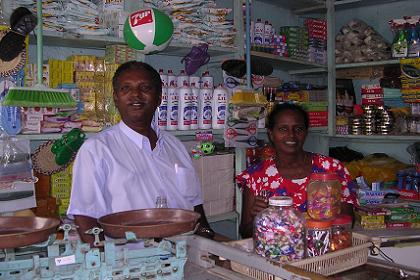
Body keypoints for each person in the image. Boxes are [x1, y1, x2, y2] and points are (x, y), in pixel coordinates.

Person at [67, 61, 214, 244]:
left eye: (145, 88)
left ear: (159, 98)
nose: (135, 95)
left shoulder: (175, 146)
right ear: (115, 98)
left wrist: (209, 243)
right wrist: (106, 263)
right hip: (130, 261)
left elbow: (195, 205)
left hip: (185, 253)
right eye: (126, 88)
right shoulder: (97, 150)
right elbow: (85, 217)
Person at [237, 103, 356, 238]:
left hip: (323, 253)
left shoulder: (332, 169)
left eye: (298, 129)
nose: (291, 136)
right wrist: (257, 217)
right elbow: (245, 232)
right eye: (283, 129)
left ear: (306, 132)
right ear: (271, 134)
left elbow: (347, 222)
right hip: (277, 254)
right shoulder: (256, 175)